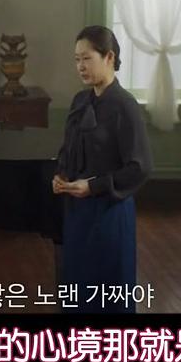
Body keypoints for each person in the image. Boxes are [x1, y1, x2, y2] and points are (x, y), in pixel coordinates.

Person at [52, 25, 152, 313]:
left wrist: (93, 186)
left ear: (109, 57)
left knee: (108, 289)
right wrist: (61, 174)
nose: (80, 66)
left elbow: (140, 167)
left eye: (87, 58)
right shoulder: (80, 101)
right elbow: (68, 148)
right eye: (76, 59)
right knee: (77, 285)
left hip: (109, 210)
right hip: (76, 209)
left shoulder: (125, 106)